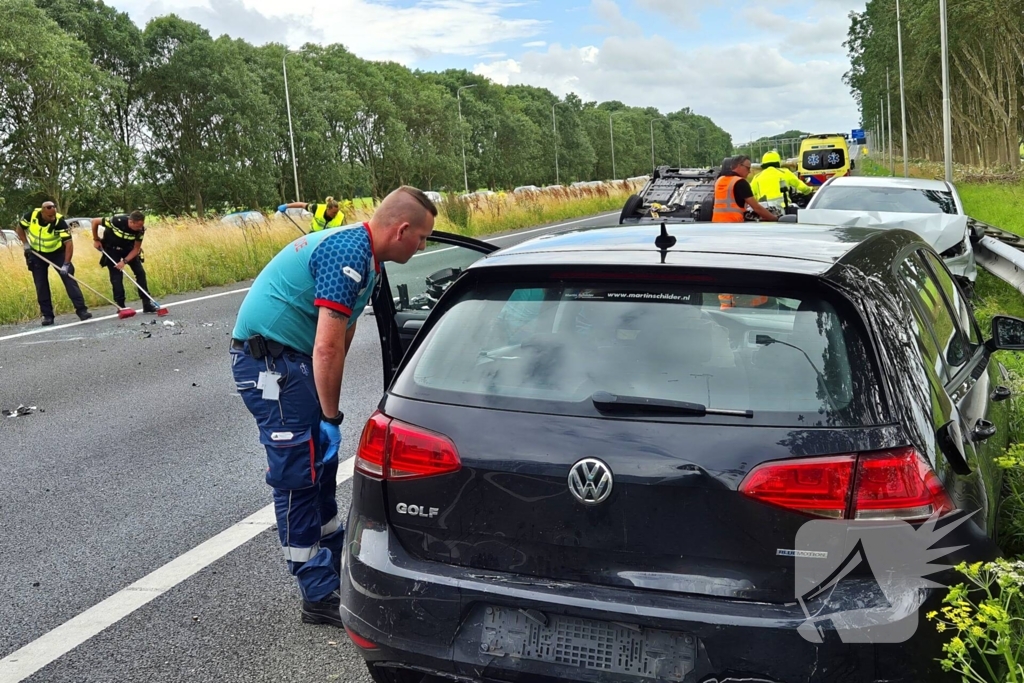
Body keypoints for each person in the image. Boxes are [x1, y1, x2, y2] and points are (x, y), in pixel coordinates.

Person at [230, 186, 437, 627]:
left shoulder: (369, 260)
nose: (422, 247)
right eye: (420, 238)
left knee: (320, 471)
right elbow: (326, 347)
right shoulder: (347, 253)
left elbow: (341, 335)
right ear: (401, 230)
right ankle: (316, 590)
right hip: (273, 363)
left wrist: (329, 412)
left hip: (294, 360)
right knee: (298, 476)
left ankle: (330, 564)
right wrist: (329, 417)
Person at [16, 201, 92, 326]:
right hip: (37, 254)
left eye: (53, 216)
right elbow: (19, 228)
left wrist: (66, 264)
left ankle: (82, 310)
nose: (52, 218)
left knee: (69, 279)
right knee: (41, 285)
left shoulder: (59, 222)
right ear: (42, 212)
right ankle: (47, 316)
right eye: (49, 216)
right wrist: (25, 243)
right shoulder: (31, 216)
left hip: (58, 253)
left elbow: (68, 244)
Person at [91, 211, 158, 313]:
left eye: (141, 225)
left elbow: (136, 249)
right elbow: (94, 221)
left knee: (140, 273)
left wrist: (124, 262)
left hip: (129, 249)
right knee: (116, 277)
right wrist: (96, 239)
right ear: (130, 222)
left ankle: (146, 303)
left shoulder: (140, 230)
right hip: (112, 249)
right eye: (138, 226)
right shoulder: (116, 221)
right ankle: (121, 306)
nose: (140, 228)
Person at [711, 155, 778, 223]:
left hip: (717, 225)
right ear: (740, 166)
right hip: (734, 224)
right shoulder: (740, 182)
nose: (749, 172)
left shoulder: (719, 180)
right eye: (748, 168)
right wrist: (774, 218)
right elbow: (756, 208)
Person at [277, 197, 345, 232]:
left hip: (329, 237)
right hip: (314, 234)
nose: (336, 214)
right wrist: (286, 206)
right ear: (328, 208)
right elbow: (301, 205)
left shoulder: (341, 217)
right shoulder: (316, 208)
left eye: (337, 212)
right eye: (334, 212)